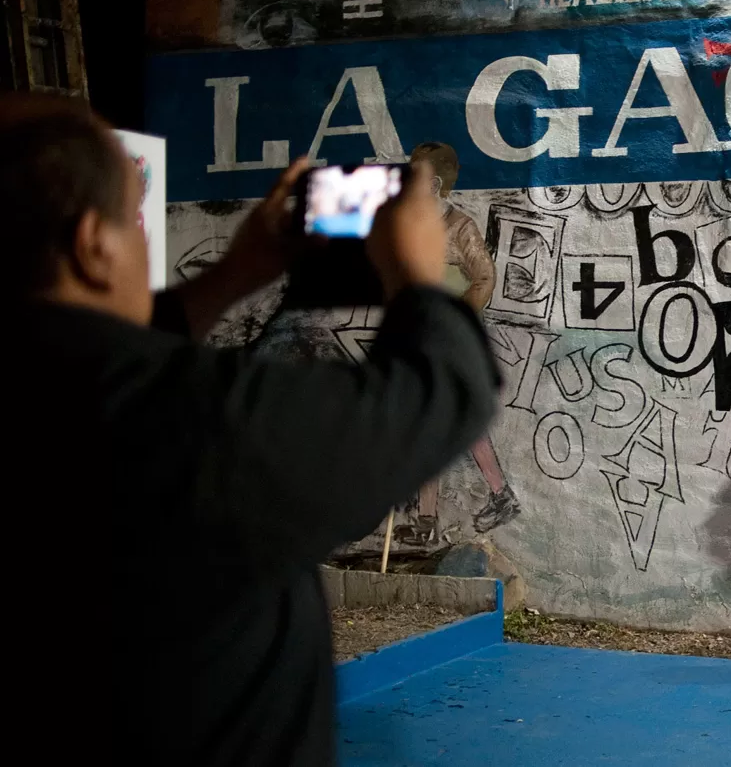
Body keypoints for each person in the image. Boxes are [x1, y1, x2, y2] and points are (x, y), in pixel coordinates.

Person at [3, 94, 498, 765]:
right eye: (135, 223)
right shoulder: (192, 422)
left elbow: (104, 352)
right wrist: (414, 277)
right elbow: (442, 392)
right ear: (94, 245)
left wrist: (234, 275)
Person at [407, 141, 521, 537]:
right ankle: (483, 498)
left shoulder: (459, 227)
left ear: (435, 183)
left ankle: (427, 518)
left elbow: (484, 278)